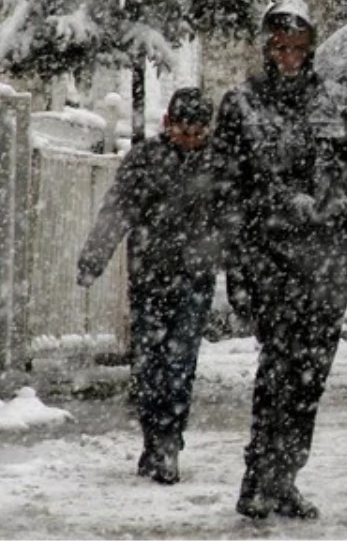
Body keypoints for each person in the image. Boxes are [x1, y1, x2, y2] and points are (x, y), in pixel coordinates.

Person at [209, 0, 347, 520]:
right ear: (266, 47)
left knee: (311, 376)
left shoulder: (337, 103)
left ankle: (286, 477)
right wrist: (238, 264)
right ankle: (257, 475)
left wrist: (337, 208)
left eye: (298, 47)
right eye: (280, 47)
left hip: (325, 263)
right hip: (270, 258)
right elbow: (228, 190)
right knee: (278, 369)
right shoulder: (243, 105)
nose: (289, 57)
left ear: (311, 48)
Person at [76, 87, 217, 485]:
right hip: (151, 276)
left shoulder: (218, 164)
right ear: (168, 125)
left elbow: (235, 220)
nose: (190, 139)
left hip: (195, 277)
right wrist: (94, 257)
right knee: (150, 363)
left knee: (181, 363)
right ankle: (154, 437)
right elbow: (117, 210)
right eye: (183, 131)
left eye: (197, 132)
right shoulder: (145, 160)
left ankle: (169, 440)